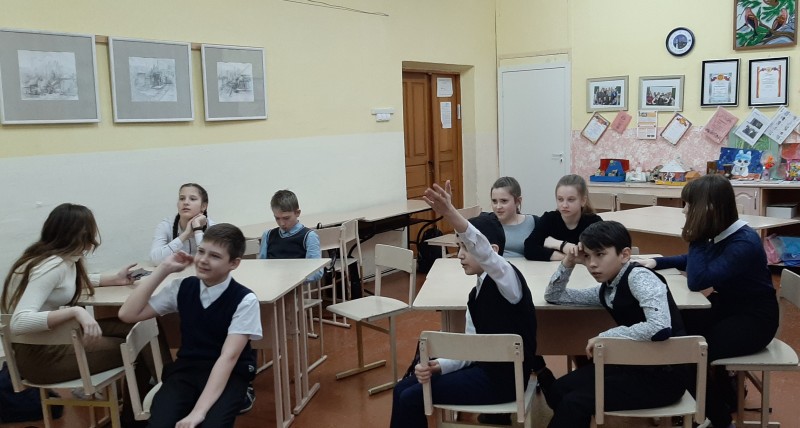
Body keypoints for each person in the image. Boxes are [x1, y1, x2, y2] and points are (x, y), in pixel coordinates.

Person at [390, 181, 538, 428]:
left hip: (505, 382)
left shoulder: (508, 280)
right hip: (481, 372)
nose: (459, 255)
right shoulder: (475, 294)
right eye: (458, 247)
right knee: (401, 389)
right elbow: (470, 349)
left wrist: (450, 213)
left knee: (411, 397)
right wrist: (439, 366)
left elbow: (484, 251)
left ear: (491, 251)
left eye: (465, 247)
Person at [639, 174, 778, 428]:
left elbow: (698, 279)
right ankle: (702, 399)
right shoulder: (723, 233)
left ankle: (718, 420)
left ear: (708, 208)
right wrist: (657, 262)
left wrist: (696, 234)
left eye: (689, 205)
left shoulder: (744, 242)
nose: (684, 211)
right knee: (674, 328)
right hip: (728, 308)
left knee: (689, 352)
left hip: (755, 320)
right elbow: (695, 263)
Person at [0, 203, 149, 425]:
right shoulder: (52, 266)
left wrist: (113, 279)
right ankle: (139, 416)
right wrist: (76, 311)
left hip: (48, 345)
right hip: (41, 359)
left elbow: (67, 283)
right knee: (139, 343)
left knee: (140, 326)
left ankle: (159, 397)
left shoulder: (54, 259)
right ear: (81, 234)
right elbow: (18, 322)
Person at [543, 221, 687, 428]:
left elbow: (660, 327)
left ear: (625, 255)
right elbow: (554, 296)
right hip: (632, 364)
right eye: (587, 256)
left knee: (574, 403)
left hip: (663, 376)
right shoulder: (608, 288)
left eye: (600, 255)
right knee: (558, 390)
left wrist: (607, 336)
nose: (592, 264)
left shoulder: (639, 277)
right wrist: (569, 261)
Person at [119, 223, 261, 428]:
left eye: (215, 256)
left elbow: (228, 358)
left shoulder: (245, 300)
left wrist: (198, 412)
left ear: (234, 263)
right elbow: (127, 314)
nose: (203, 260)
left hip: (229, 373)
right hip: (187, 369)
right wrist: (164, 269)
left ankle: (242, 395)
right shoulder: (182, 287)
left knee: (211, 424)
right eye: (201, 251)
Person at [523, 174, 602, 261]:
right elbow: (529, 249)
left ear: (583, 200)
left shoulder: (594, 222)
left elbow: (600, 252)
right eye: (560, 199)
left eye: (571, 200)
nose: (564, 205)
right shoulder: (549, 219)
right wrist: (565, 253)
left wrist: (556, 244)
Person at [258, 190, 323, 284]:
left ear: (297, 213)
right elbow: (261, 267)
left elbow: (317, 271)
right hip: (272, 284)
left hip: (295, 286)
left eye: (286, 218)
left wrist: (293, 279)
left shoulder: (309, 236)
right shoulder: (267, 235)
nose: (282, 223)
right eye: (277, 218)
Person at [150, 183, 215, 265]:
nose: (185, 202)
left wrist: (197, 230)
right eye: (182, 198)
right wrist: (185, 234)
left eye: (192, 199)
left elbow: (210, 261)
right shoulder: (166, 225)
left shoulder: (212, 228)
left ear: (204, 206)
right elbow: (155, 260)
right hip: (173, 273)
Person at [490, 176, 538, 258]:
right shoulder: (485, 224)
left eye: (504, 201)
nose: (498, 206)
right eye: (494, 201)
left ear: (518, 201)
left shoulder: (534, 223)